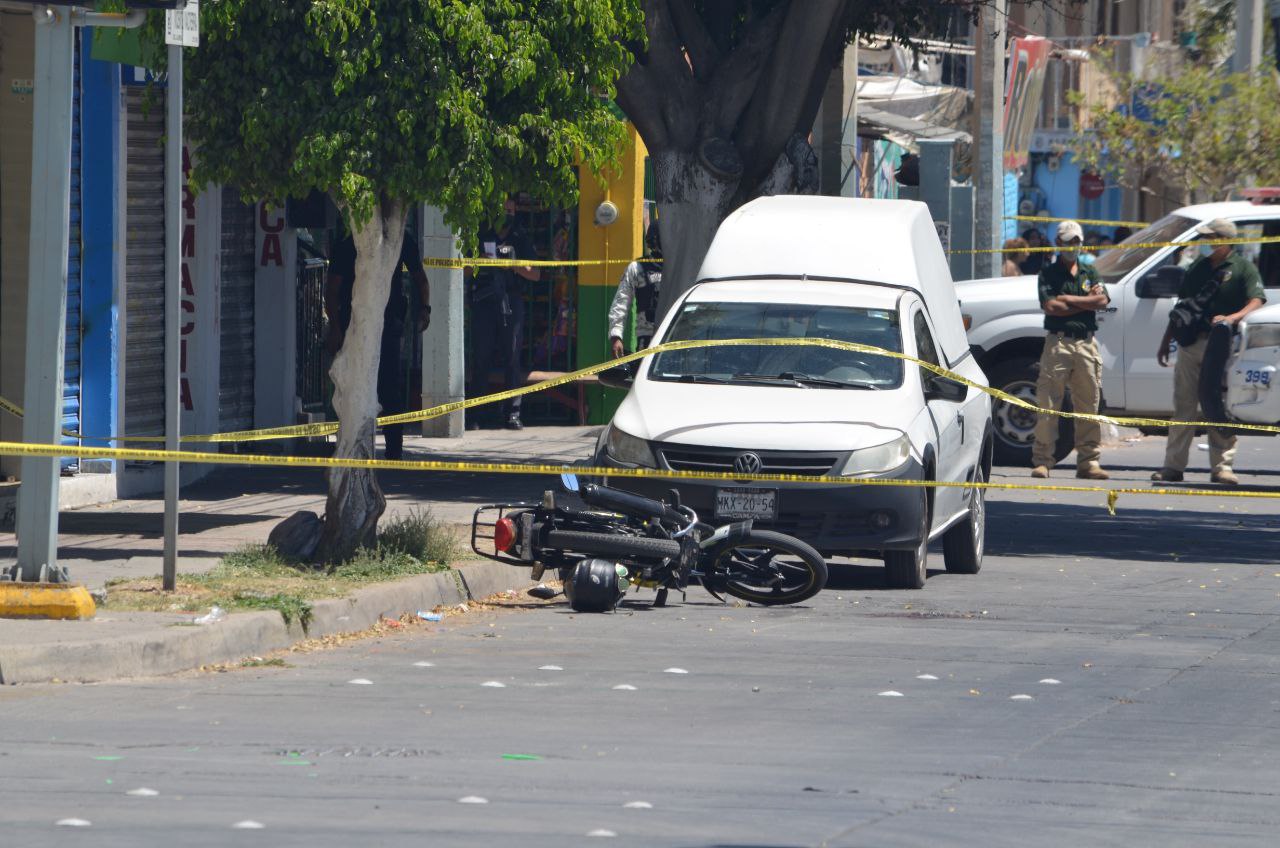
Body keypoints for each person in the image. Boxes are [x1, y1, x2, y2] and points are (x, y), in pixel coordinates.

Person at [1152, 218, 1267, 485]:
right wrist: (1165, 341)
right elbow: (1183, 307)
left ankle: (1222, 467)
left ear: (1224, 240)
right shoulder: (1198, 267)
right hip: (1191, 344)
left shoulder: (1243, 268)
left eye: (1210, 237)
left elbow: (1257, 299)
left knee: (1217, 406)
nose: (1205, 242)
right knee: (1184, 406)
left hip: (1223, 347)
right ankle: (1173, 467)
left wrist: (1233, 317)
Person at [325, 221, 431, 461]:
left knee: (389, 389)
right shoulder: (350, 241)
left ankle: (393, 451)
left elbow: (421, 279)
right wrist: (335, 328)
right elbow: (331, 290)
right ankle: (353, 448)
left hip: (386, 324)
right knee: (354, 389)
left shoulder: (399, 239)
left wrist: (425, 309)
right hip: (354, 325)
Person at [1030, 220, 1112, 480]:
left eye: (1075, 241)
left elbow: (1103, 300)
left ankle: (1089, 462)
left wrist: (1070, 300)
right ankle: (1043, 460)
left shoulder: (1090, 272)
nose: (1071, 247)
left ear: (1081, 242)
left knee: (1089, 404)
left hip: (1087, 343)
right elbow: (1052, 307)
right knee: (1049, 404)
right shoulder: (1048, 274)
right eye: (1066, 242)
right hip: (1058, 343)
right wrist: (1086, 305)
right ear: (1058, 243)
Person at [467, 198, 541, 430]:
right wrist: (481, 262)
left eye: (511, 209)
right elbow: (466, 270)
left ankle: (513, 413)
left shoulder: (520, 238)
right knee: (481, 358)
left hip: (511, 300)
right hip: (484, 302)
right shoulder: (482, 234)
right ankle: (475, 415)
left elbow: (536, 274)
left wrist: (513, 265)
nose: (507, 213)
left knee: (512, 357)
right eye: (503, 209)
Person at [608, 221, 663, 358]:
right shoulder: (637, 268)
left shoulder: (680, 268)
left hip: (676, 338)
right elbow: (620, 302)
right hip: (647, 339)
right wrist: (616, 336)